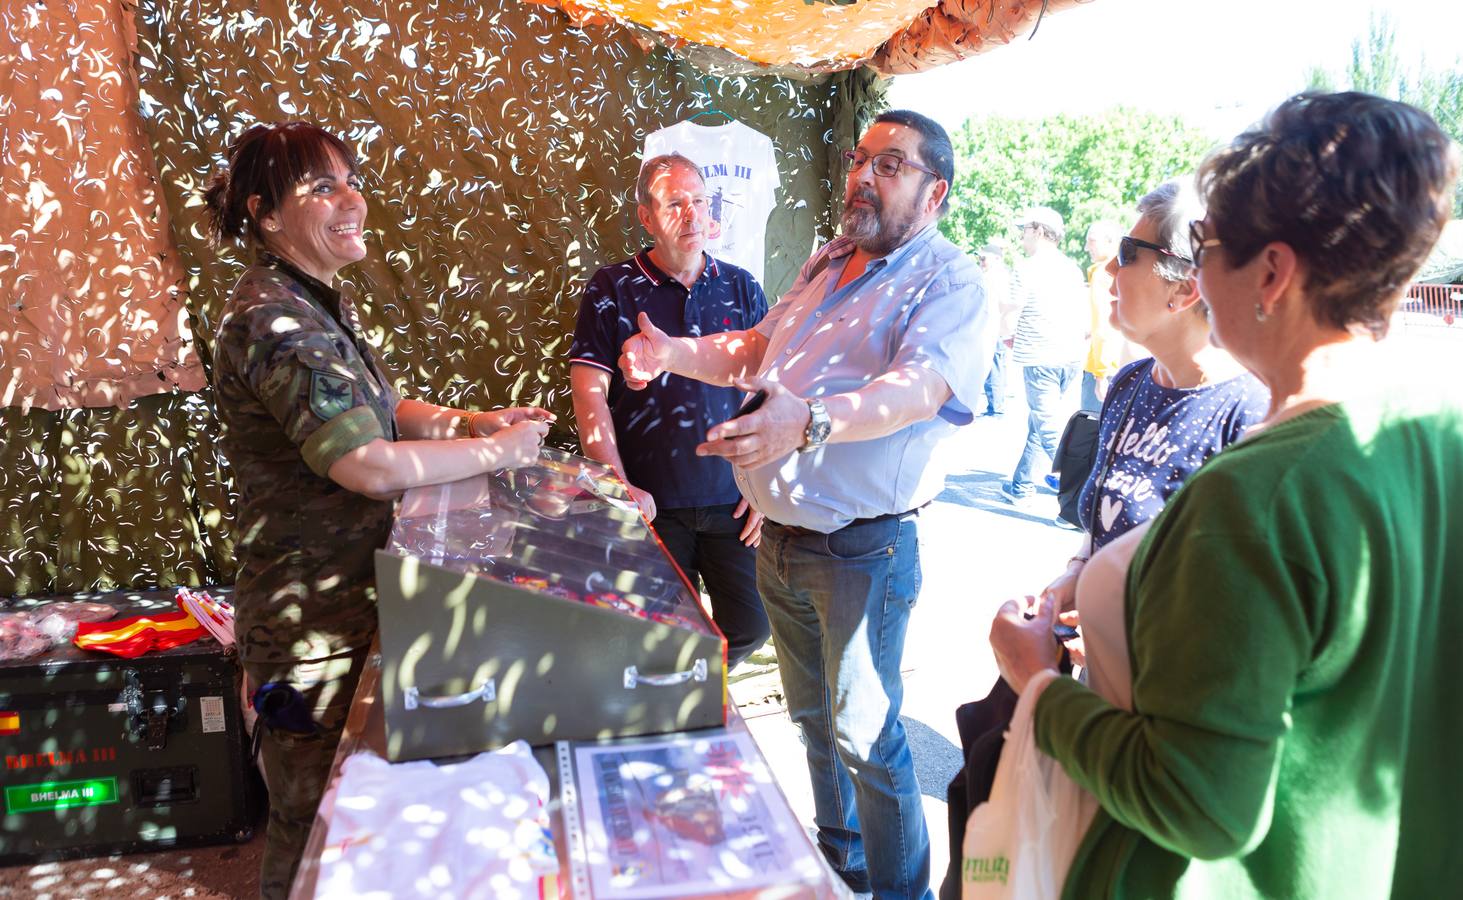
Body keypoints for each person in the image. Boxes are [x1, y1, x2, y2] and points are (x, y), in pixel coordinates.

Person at [991, 92, 1462, 899]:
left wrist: (1038, 686)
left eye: (1205, 248)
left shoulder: (1257, 496)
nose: (1194, 278)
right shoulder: (1435, 430)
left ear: (1271, 274)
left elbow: (1199, 805)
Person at [620, 109, 992, 900]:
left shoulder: (951, 281)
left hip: (861, 550)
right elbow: (757, 348)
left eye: (889, 165)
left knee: (866, 736)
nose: (862, 174)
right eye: (860, 159)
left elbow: (916, 391)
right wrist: (672, 352)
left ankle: (900, 892)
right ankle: (840, 862)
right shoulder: (830, 261)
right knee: (813, 724)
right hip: (782, 542)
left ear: (936, 193)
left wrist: (810, 422)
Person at [204, 121, 553, 898]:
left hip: (350, 608)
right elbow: (364, 464)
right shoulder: (275, 317)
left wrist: (475, 423)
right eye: (321, 187)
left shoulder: (313, 300)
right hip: (310, 633)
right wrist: (501, 455)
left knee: (347, 818)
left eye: (350, 179)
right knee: (311, 830)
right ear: (265, 214)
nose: (351, 199)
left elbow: (386, 413)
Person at [939, 180, 1268, 899]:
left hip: (1147, 727)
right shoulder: (1126, 385)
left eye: (1127, 253)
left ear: (1186, 289)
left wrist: (1111, 628)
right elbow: (1098, 536)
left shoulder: (1246, 416)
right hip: (1084, 691)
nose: (1109, 273)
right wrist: (1066, 585)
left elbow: (1222, 614)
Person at [569, 152, 771, 669]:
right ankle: (677, 707)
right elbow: (589, 393)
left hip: (733, 501)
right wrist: (616, 483)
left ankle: (690, 694)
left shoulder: (742, 286)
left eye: (700, 202)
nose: (691, 215)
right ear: (646, 216)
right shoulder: (611, 287)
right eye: (675, 203)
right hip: (651, 502)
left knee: (752, 625)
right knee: (656, 638)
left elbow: (771, 389)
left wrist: (766, 484)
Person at [1001, 206, 1086, 505]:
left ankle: (1080, 497)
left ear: (1038, 231)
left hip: (1041, 358)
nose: (1022, 237)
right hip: (1070, 357)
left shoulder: (1028, 267)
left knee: (1048, 426)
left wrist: (1005, 333)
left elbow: (1011, 309)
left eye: (1025, 230)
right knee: (1040, 420)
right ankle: (1021, 486)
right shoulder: (1072, 268)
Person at [1078, 219, 1137, 413]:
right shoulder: (1129, 269)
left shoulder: (1103, 273)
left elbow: (1104, 326)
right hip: (1124, 365)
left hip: (1104, 369)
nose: (1087, 247)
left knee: (1092, 434)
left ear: (1111, 241)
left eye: (1092, 241)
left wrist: (1100, 375)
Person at [977, 242, 1016, 416]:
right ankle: (995, 405)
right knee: (995, 366)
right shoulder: (995, 275)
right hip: (992, 327)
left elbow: (1004, 305)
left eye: (984, 258)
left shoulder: (996, 277)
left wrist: (1003, 329)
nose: (981, 261)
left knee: (994, 367)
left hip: (995, 329)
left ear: (997, 259)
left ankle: (996, 408)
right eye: (980, 258)